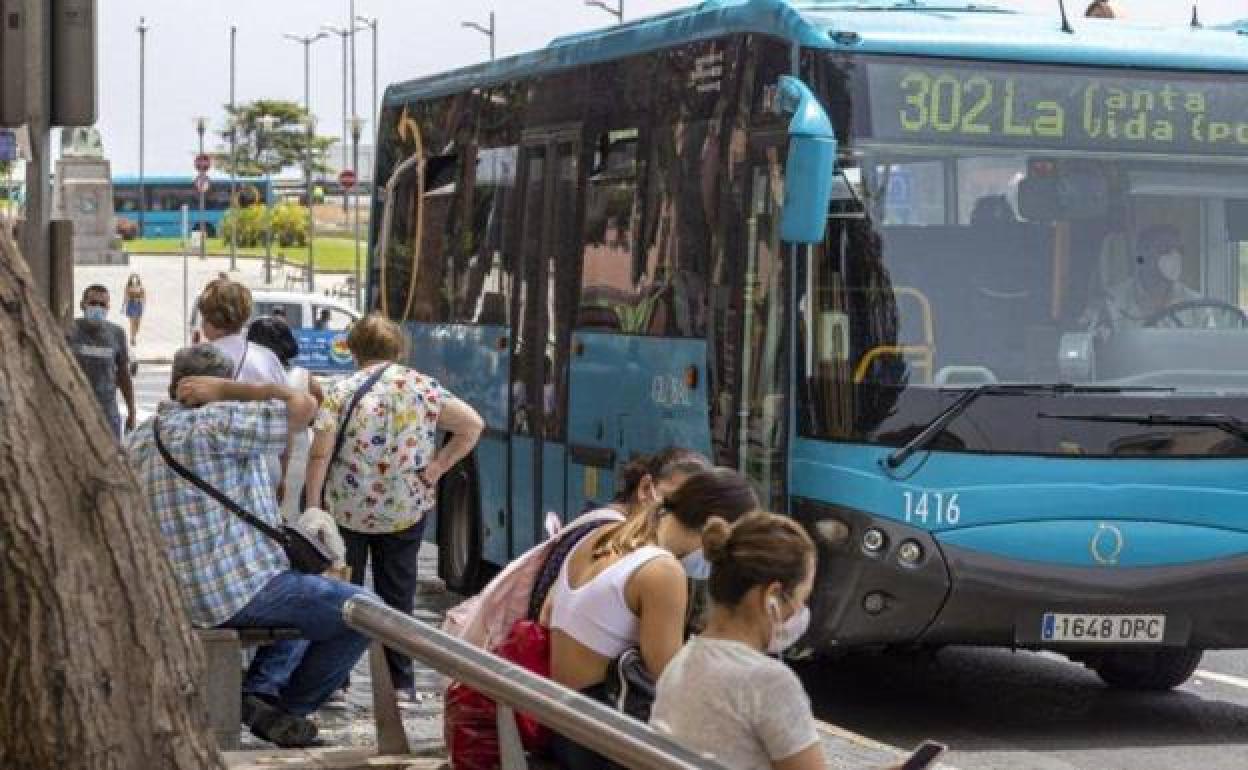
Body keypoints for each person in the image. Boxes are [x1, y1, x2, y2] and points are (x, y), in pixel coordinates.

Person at [124, 344, 365, 748]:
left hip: (170, 594)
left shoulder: (139, 439)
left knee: (302, 588)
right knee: (362, 611)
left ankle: (261, 694)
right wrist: (237, 391)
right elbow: (303, 405)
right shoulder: (219, 422)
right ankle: (286, 710)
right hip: (228, 594)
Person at [303, 313, 484, 705]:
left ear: (354, 351)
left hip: (347, 508)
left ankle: (337, 680)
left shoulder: (340, 390)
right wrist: (436, 469)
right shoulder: (423, 389)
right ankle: (402, 683)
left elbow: (319, 454)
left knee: (342, 590)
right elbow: (471, 425)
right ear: (398, 349)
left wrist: (313, 505)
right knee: (397, 595)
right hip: (404, 506)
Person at [543, 467, 760, 768]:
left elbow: (547, 615)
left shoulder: (604, 534)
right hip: (598, 744)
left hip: (561, 724)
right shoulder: (663, 571)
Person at [650, 512, 825, 770]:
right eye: (801, 598)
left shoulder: (682, 661)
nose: (801, 611)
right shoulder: (769, 683)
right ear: (773, 596)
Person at [196, 279, 292, 491]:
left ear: (208, 319)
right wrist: (283, 474)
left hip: (214, 467)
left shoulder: (196, 359)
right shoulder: (267, 358)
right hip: (265, 464)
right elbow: (286, 419)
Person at [248, 315, 324, 519]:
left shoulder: (250, 376)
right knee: (289, 519)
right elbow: (319, 408)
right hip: (298, 456)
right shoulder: (303, 375)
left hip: (258, 455)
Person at [1091, 224, 1202, 332]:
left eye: (1180, 250)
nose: (1174, 256)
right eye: (1165, 249)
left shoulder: (1197, 305)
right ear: (1142, 255)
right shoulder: (1113, 302)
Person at [67, 284, 136, 438]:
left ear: (108, 307)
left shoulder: (116, 333)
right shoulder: (69, 330)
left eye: (102, 304)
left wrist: (131, 410)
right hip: (75, 412)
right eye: (92, 303)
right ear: (82, 305)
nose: (97, 308)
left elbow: (124, 375)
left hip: (107, 414)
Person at [123, 273, 146, 346]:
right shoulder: (128, 287)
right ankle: (133, 338)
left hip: (138, 305)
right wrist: (124, 305)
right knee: (132, 323)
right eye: (133, 279)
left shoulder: (141, 287)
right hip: (131, 305)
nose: (134, 280)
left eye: (136, 279)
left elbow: (144, 297)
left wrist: (141, 302)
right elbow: (126, 297)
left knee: (138, 324)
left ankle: (134, 336)